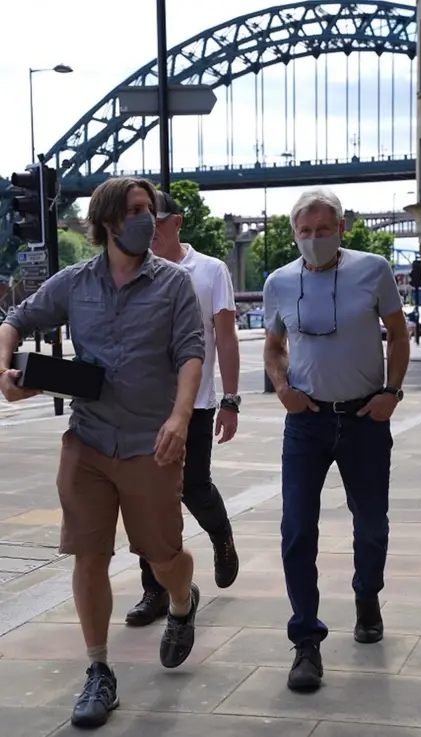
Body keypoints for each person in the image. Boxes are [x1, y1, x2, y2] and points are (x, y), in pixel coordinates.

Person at [0, 177, 205, 729]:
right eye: (138, 210)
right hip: (88, 442)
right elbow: (14, 320)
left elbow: (191, 354)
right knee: (88, 555)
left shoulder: (175, 285)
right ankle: (98, 672)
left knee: (165, 557)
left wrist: (180, 418)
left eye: (152, 211)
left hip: (151, 446)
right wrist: (5, 369)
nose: (149, 219)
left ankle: (182, 602)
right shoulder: (75, 283)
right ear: (110, 220)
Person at [263, 187, 410, 693]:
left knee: (371, 525)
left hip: (366, 418)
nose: (314, 239)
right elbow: (274, 345)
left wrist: (391, 391)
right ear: (294, 234)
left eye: (324, 230)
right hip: (307, 423)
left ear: (341, 229)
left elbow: (399, 332)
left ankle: (367, 596)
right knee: (297, 528)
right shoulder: (279, 281)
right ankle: (306, 639)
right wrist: (282, 387)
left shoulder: (373, 270)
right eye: (305, 231)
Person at [125, 191, 241, 627]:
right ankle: (154, 590)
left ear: (178, 222)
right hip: (144, 405)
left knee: (193, 488)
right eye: (139, 221)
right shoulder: (133, 268)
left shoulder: (209, 270)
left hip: (195, 404)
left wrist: (230, 399)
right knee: (147, 498)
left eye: (155, 221)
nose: (148, 230)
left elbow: (226, 337)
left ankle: (221, 536)